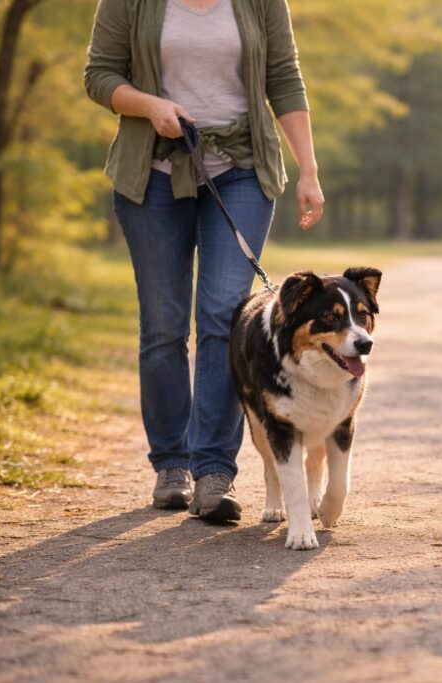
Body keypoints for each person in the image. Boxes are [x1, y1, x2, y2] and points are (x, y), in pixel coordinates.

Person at [84, 0, 324, 521]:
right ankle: (171, 464)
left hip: (240, 171)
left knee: (221, 314)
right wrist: (150, 106)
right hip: (150, 174)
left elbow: (284, 78)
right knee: (164, 325)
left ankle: (214, 471)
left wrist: (308, 169)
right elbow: (99, 75)